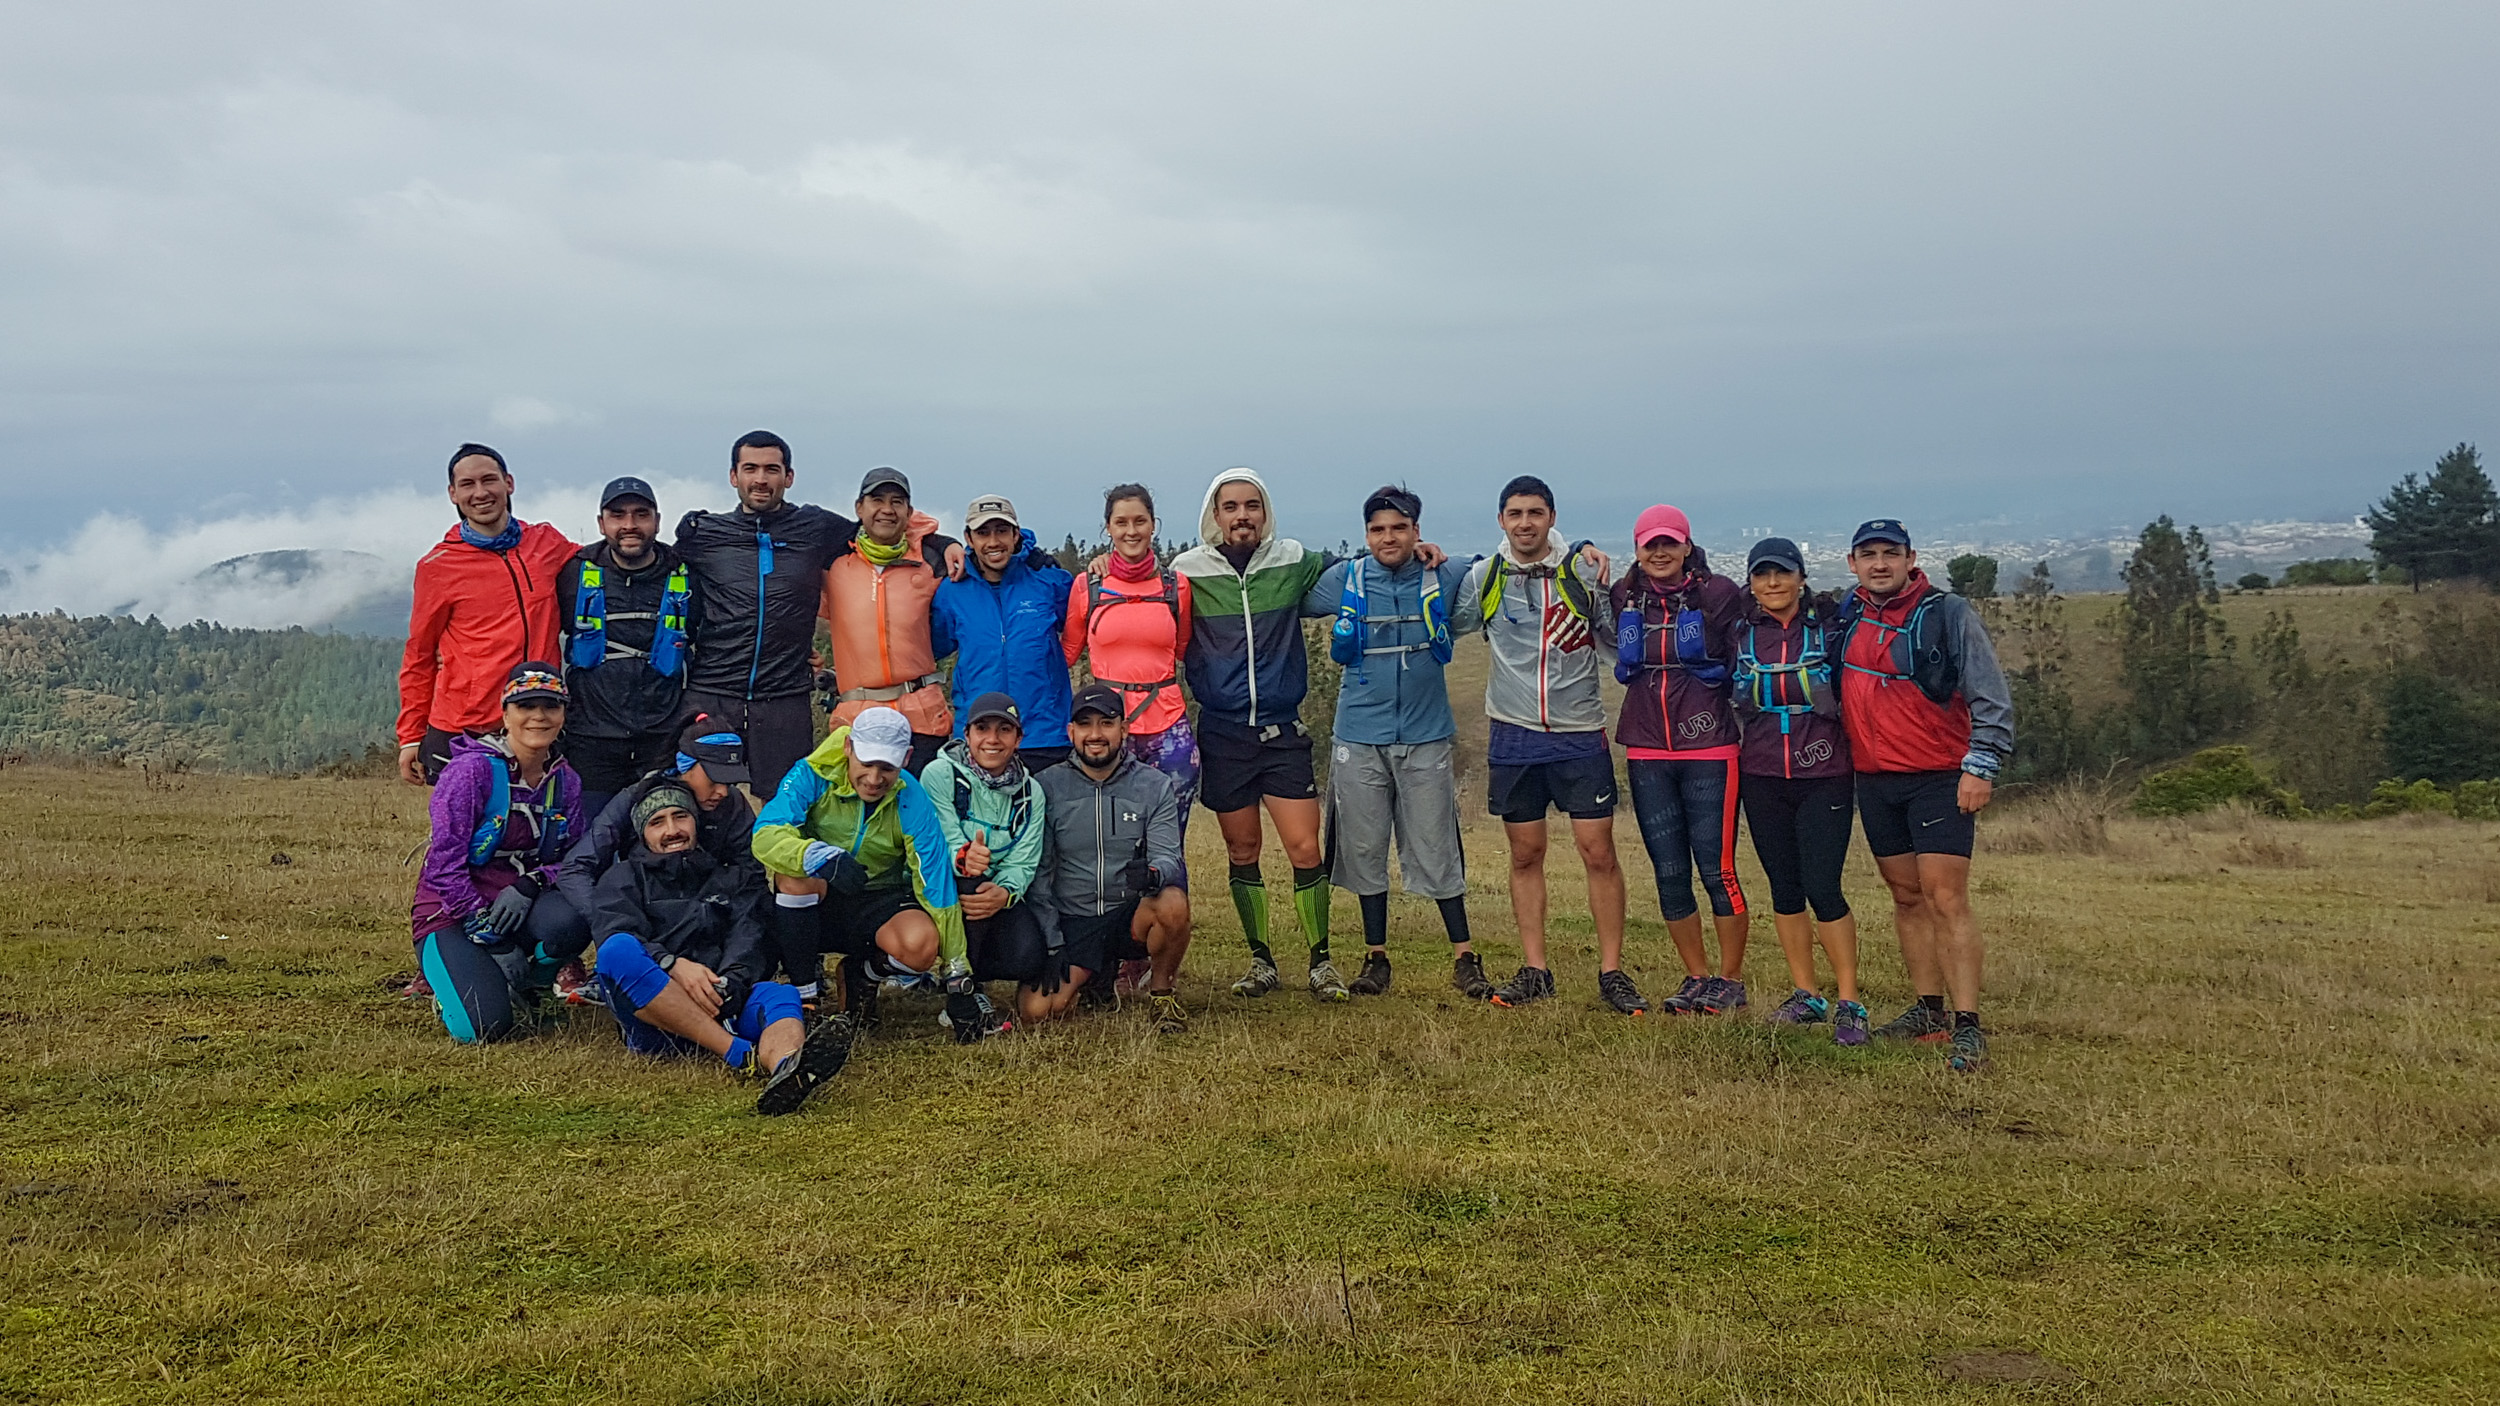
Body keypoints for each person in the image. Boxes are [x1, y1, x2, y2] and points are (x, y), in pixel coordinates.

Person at [1834, 520, 2013, 1073]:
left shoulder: (1948, 612)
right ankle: (1927, 1010)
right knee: (1906, 897)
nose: (1881, 564)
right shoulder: (1847, 613)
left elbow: (1991, 696)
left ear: (1912, 558)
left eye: (1891, 554)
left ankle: (1967, 1026)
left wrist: (1980, 767)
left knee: (1945, 898)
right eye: (1870, 555)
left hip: (1939, 775)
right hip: (1875, 778)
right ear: (1852, 562)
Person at [1304, 484, 1492, 999]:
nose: (1388, 537)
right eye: (1377, 529)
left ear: (1417, 531)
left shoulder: (1444, 573)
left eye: (1399, 528)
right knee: (1363, 846)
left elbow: (1506, 565)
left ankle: (1464, 956)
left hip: (1426, 734)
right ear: (1365, 534)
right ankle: (1375, 957)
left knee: (1436, 843)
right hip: (1358, 735)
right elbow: (1289, 583)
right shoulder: (1345, 578)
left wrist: (1580, 544)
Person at [1453, 475, 1630, 1011]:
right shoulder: (1485, 576)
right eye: (1515, 514)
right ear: (1502, 522)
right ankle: (1535, 969)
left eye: (1535, 512)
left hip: (1579, 733)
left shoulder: (1581, 569)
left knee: (1598, 852)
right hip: (1513, 733)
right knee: (1525, 853)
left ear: (1552, 517)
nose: (1525, 523)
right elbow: (1447, 621)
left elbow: (1616, 642)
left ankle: (1613, 972)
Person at [1170, 468, 1347, 1002]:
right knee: (1242, 848)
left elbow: (1358, 572)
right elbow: (1140, 596)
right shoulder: (1187, 572)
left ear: (1265, 512)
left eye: (1252, 505)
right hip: (1223, 732)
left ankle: (1321, 961)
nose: (1242, 515)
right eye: (1231, 507)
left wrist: (1425, 553)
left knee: (1303, 847)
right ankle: (1261, 960)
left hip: (1282, 730)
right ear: (1214, 515)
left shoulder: (1292, 560)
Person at [588, 784, 857, 1116]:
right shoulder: (621, 879)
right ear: (643, 833)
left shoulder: (728, 875)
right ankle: (739, 1054)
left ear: (696, 823)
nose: (672, 830)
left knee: (779, 996)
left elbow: (751, 933)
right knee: (617, 951)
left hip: (722, 1001)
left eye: (680, 817)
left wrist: (731, 981)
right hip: (657, 1020)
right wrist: (673, 965)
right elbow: (615, 932)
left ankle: (789, 1069)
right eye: (657, 822)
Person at [750, 706, 982, 1041]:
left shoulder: (912, 797)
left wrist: (958, 977)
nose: (874, 779)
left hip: (878, 900)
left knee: (921, 946)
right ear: (848, 748)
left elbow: (935, 883)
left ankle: (862, 974)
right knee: (793, 877)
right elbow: (766, 833)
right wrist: (818, 855)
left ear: (906, 758)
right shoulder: (811, 773)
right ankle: (806, 998)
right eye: (866, 763)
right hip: (821, 894)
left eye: (887, 767)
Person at [1610, 504, 1748, 1017]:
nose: (1661, 552)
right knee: (1669, 871)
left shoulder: (1720, 595)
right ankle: (1696, 976)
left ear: (1688, 546)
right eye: (1651, 544)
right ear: (1639, 549)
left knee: (1718, 869)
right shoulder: (1624, 596)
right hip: (1646, 746)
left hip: (1710, 745)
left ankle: (1730, 980)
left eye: (1671, 542)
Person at [409, 663, 593, 1043]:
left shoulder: (565, 781)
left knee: (578, 914)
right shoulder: (470, 772)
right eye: (526, 706)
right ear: (505, 713)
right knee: (482, 1029)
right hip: (452, 914)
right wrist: (490, 934)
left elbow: (576, 859)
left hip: (520, 907)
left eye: (550, 706)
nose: (539, 716)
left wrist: (533, 882)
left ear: (563, 715)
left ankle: (534, 988)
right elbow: (443, 864)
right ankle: (455, 985)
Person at [672, 431, 859, 802]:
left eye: (771, 469)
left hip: (783, 699)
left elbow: (881, 530)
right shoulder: (705, 533)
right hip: (712, 693)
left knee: (785, 808)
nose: (761, 479)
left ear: (788, 477)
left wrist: (944, 544)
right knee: (700, 802)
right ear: (733, 476)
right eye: (750, 469)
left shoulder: (817, 528)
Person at [1733, 537, 1868, 1045]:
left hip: (1824, 774)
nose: (1773, 584)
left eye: (1782, 574)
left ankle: (1850, 1002)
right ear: (1751, 582)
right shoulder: (1742, 633)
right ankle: (1807, 995)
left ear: (1801, 577)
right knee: (1785, 889)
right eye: (1763, 575)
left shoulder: (1831, 627)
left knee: (1823, 886)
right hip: (1762, 774)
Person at [398, 444, 576, 786]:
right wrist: (410, 735)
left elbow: (604, 567)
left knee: (537, 830)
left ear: (508, 483)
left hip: (535, 717)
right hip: (465, 725)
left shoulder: (546, 543)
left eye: (489, 480)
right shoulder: (438, 567)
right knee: (463, 833)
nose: (480, 493)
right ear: (453, 494)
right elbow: (419, 654)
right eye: (467, 484)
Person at [1032, 683, 1193, 1033]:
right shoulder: (1046, 786)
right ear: (1070, 732)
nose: (1095, 734)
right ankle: (1097, 977)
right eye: (1085, 725)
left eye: (1106, 723)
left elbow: (1169, 856)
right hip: (1073, 918)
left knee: (1172, 904)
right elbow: (1041, 873)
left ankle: (1162, 992)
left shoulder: (1154, 785)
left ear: (1124, 728)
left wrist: (1152, 875)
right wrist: (1051, 942)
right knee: (1038, 1011)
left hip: (1126, 914)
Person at [557, 475, 702, 821]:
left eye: (641, 514)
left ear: (657, 521)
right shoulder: (573, 574)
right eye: (618, 515)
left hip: (664, 739)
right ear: (601, 523)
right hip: (592, 740)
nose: (630, 525)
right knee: (591, 840)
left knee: (661, 837)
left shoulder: (685, 575)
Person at [919, 692, 1050, 1034]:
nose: (992, 739)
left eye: (1004, 729)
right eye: (982, 728)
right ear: (967, 735)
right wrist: (962, 856)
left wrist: (1005, 893)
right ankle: (961, 996)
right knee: (972, 883)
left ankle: (967, 973)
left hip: (991, 893)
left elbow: (1024, 860)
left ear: (1019, 738)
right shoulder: (938, 774)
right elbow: (939, 840)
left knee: (1029, 955)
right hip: (939, 887)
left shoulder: (1032, 792)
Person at [554, 715, 756, 933]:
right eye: (714, 780)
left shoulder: (733, 803)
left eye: (731, 781)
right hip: (645, 915)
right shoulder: (635, 797)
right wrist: (614, 924)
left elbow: (752, 876)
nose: (723, 792)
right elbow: (575, 868)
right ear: (684, 765)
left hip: (709, 916)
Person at [822, 467, 961, 772]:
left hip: (922, 720)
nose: (887, 509)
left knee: (920, 814)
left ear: (909, 512)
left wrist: (945, 541)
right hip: (856, 719)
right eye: (877, 500)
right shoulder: (831, 563)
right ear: (859, 508)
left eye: (897, 502)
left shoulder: (932, 562)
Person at [931, 494, 1076, 773]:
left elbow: (1089, 626)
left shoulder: (1049, 580)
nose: (993, 541)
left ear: (1016, 534)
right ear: (969, 538)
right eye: (983, 532)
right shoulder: (951, 591)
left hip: (1044, 735)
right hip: (981, 738)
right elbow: (931, 648)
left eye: (1001, 531)